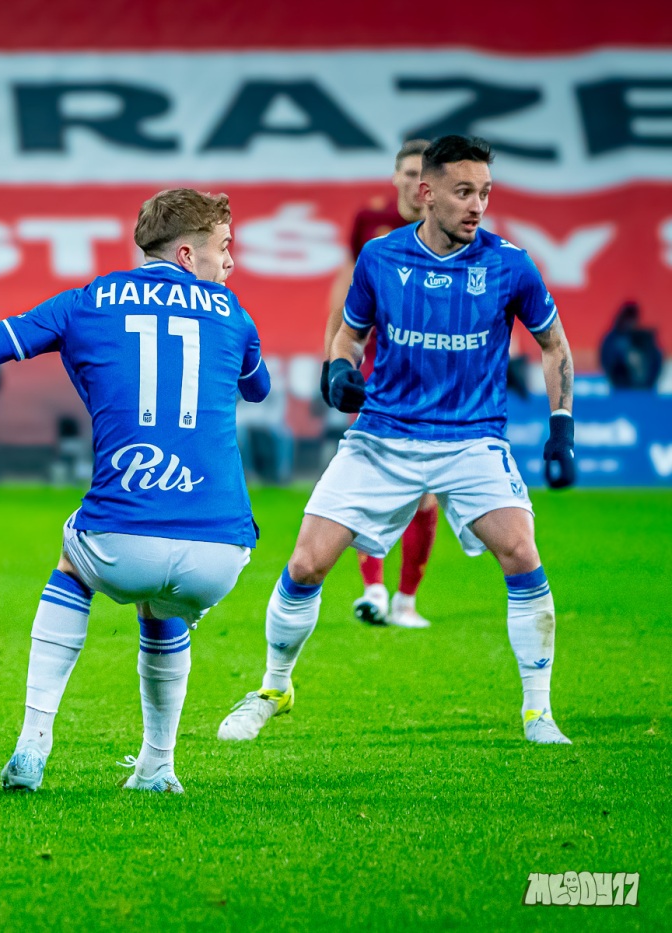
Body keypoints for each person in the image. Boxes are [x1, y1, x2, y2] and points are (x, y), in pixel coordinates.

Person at [0, 189, 271, 794]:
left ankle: (33, 743)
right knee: (163, 608)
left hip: (122, 539)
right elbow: (258, 389)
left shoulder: (86, 301)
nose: (230, 262)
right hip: (220, 551)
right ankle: (158, 767)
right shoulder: (233, 312)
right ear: (187, 255)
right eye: (224, 247)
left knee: (75, 564)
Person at [218, 135, 578, 747]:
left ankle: (538, 713)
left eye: (485, 192)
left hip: (471, 441)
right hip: (383, 436)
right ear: (426, 192)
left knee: (522, 553)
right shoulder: (380, 258)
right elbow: (348, 335)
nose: (477, 206)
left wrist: (561, 426)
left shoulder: (510, 264)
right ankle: (274, 690)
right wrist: (339, 369)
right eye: (464, 192)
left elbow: (554, 345)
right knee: (305, 563)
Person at [322, 139, 437, 629]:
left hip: (435, 378)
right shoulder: (372, 225)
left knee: (425, 492)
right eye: (408, 173)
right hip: (378, 372)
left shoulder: (452, 229)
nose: (415, 183)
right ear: (396, 177)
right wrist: (332, 358)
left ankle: (406, 600)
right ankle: (373, 590)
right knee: (372, 477)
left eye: (423, 174)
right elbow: (346, 287)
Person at [599, 301, 663, 389]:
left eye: (632, 320)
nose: (630, 323)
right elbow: (607, 362)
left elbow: (656, 362)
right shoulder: (613, 341)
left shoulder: (646, 341)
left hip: (645, 389)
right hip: (620, 387)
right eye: (627, 319)